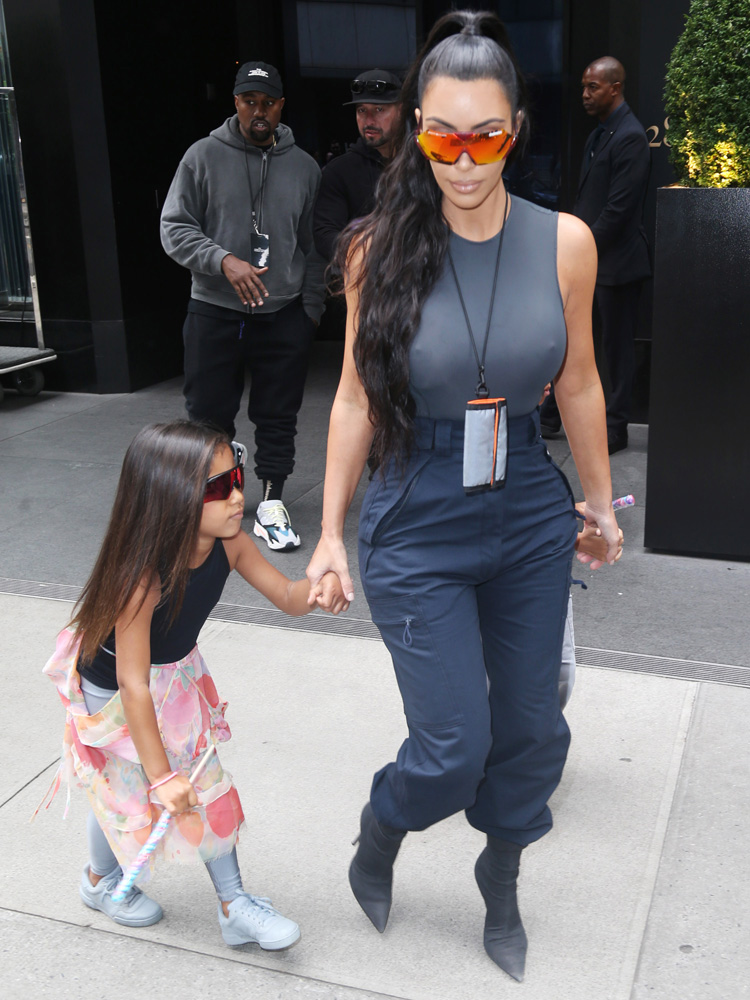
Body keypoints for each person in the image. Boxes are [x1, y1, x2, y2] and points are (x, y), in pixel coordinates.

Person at [305, 10, 621, 983]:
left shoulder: (565, 244)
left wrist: (599, 506)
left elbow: (579, 383)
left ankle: (503, 872)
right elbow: (356, 397)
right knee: (451, 745)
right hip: (418, 504)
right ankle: (383, 823)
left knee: (532, 726)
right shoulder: (376, 250)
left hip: (525, 499)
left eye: (486, 134)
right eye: (443, 134)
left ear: (516, 127)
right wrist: (328, 535)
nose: (465, 158)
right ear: (415, 128)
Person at [40, 421, 345, 948]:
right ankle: (99, 880)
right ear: (171, 497)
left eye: (238, 477)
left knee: (208, 785)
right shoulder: (143, 577)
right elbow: (133, 684)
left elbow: (291, 597)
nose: (237, 496)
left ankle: (234, 905)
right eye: (217, 487)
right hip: (113, 692)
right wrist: (160, 777)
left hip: (174, 675)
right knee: (128, 796)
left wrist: (321, 588)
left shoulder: (230, 545)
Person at [161, 61, 326, 551]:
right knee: (208, 415)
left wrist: (310, 310)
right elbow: (174, 227)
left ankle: (272, 503)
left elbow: (313, 247)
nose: (260, 111)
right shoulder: (202, 156)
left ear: (281, 106)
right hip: (215, 308)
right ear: (234, 103)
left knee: (278, 415)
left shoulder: (304, 167)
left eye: (269, 102)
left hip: (283, 313)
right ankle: (218, 500)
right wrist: (222, 260)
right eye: (250, 101)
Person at [542, 57, 651, 454]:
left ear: (615, 88)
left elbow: (618, 213)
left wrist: (578, 249)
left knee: (616, 352)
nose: (584, 94)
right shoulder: (599, 135)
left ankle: (616, 428)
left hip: (619, 266)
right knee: (569, 341)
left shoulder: (630, 137)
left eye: (593, 87)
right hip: (591, 263)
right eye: (584, 87)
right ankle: (551, 415)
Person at [313, 69, 403, 262]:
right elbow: (325, 235)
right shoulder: (339, 172)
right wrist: (368, 256)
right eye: (362, 110)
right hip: (363, 284)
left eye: (379, 110)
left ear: (401, 111)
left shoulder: (422, 164)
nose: (369, 120)